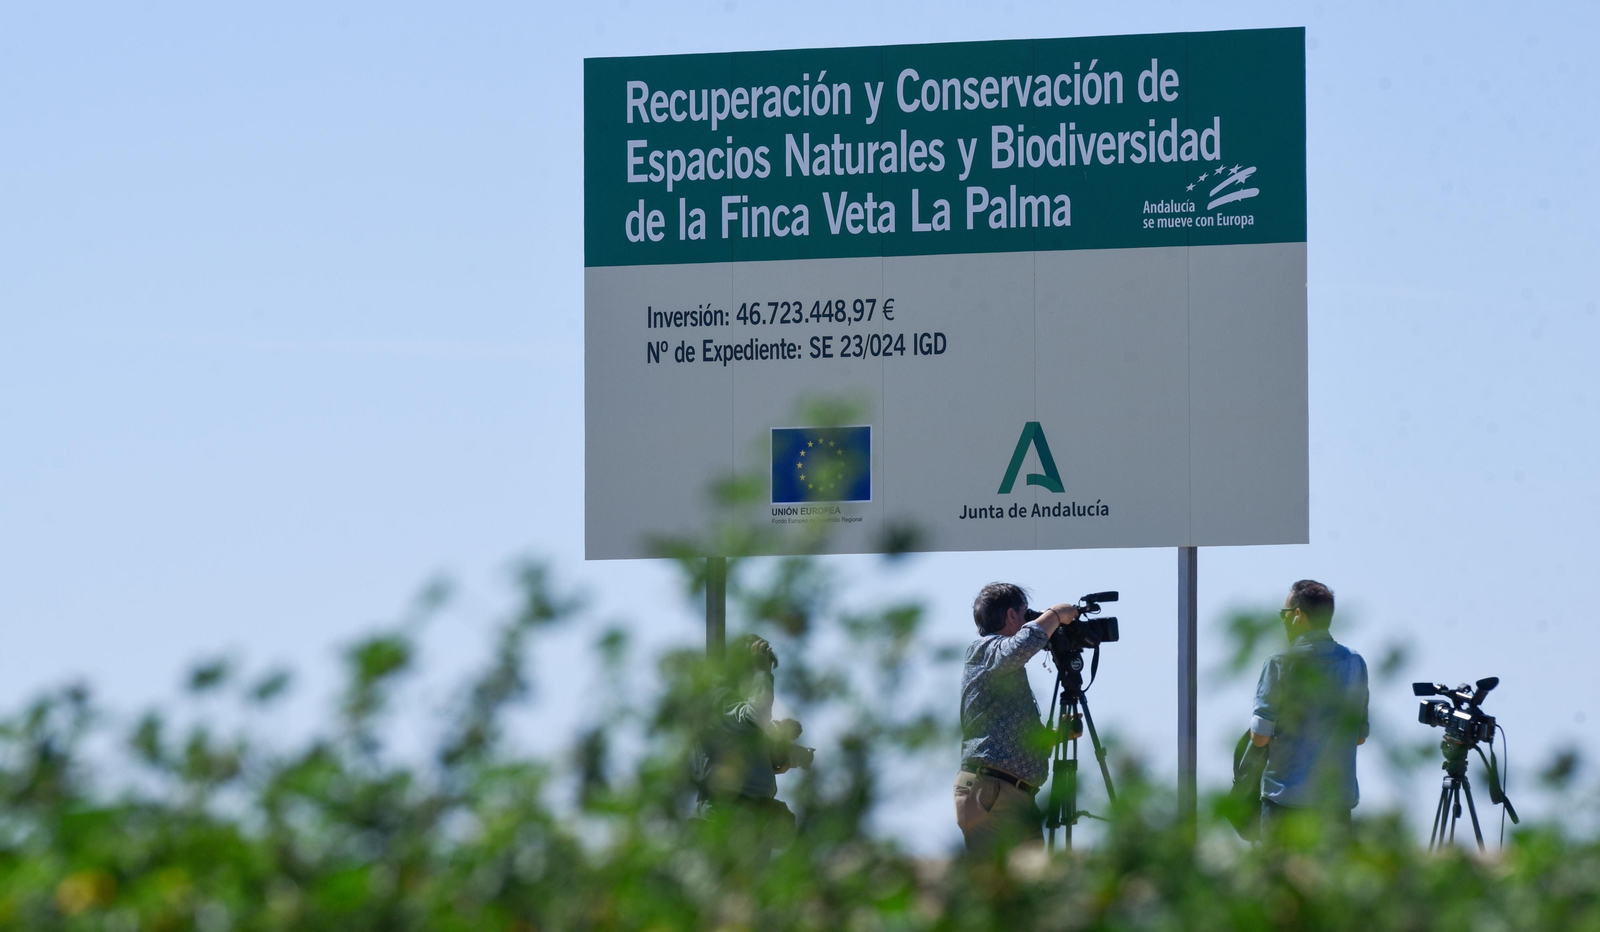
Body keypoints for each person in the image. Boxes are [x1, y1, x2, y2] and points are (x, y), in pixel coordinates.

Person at [954, 582, 1080, 856]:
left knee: (1028, 889)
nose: (1030, 621)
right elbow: (1020, 646)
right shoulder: (985, 650)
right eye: (1026, 615)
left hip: (1012, 793)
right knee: (992, 886)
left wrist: (1057, 736)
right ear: (1012, 616)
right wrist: (1055, 615)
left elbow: (1009, 741)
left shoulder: (1001, 668)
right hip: (993, 790)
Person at [1250, 579, 1369, 840]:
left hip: (1285, 802)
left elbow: (1260, 736)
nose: (1282, 620)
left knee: (1277, 878)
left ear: (1297, 616)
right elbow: (1359, 736)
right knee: (1333, 880)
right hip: (1336, 803)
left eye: (1284, 614)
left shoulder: (1279, 663)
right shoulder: (1355, 663)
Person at [697, 634, 813, 854]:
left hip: (749, 816)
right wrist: (762, 674)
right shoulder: (719, 699)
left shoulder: (733, 705)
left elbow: (741, 752)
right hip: (730, 816)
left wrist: (779, 758)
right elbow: (755, 714)